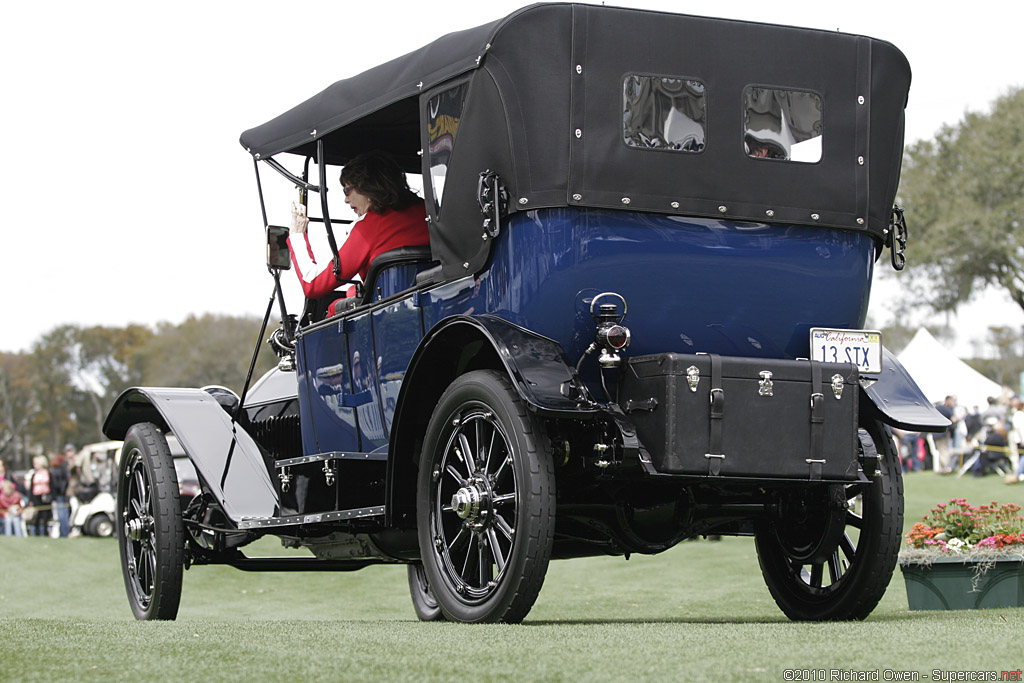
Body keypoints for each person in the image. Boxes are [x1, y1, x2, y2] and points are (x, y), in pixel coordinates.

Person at [288, 150, 429, 315]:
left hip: (391, 315)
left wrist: (297, 235)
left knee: (334, 308)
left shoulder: (367, 228)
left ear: (366, 186)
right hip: (434, 305)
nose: (346, 200)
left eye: (347, 191)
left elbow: (313, 284)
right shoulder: (430, 213)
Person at [26, 455, 52, 536]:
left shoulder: (48, 473)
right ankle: (36, 533)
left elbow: (52, 486)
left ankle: (45, 533)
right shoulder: (34, 474)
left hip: (46, 497)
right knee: (37, 516)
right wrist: (30, 500)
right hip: (36, 497)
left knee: (45, 516)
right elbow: (31, 488)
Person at [932, 395, 959, 473]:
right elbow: (953, 419)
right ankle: (947, 468)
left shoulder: (935, 409)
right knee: (944, 450)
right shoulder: (946, 409)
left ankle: (941, 469)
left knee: (940, 450)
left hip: (935, 433)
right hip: (943, 432)